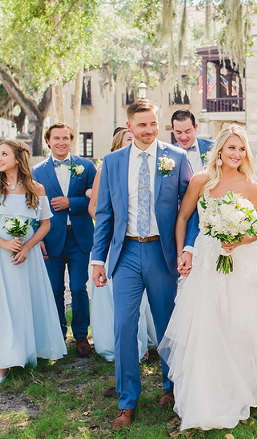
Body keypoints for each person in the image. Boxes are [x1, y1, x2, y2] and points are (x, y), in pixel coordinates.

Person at [159, 124, 257, 431]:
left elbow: (255, 230)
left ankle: (245, 381)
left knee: (240, 321)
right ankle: (210, 384)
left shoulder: (250, 186)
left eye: (241, 149)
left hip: (239, 259)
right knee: (209, 319)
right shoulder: (201, 181)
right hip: (206, 256)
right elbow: (183, 217)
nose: (236, 154)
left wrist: (238, 240)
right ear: (220, 150)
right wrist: (185, 251)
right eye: (231, 148)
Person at [90, 100, 199, 430]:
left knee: (167, 324)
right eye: (142, 125)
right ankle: (126, 401)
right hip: (124, 255)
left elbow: (191, 210)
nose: (149, 130)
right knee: (123, 326)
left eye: (153, 124)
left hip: (161, 253)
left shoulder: (176, 158)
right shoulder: (111, 162)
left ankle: (171, 388)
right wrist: (98, 258)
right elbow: (105, 214)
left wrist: (188, 248)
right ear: (129, 126)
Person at [0, 140, 66, 385]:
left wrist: (27, 246)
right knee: (3, 303)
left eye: (4, 153)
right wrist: (3, 244)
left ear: (18, 158)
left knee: (27, 299)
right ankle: (3, 362)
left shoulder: (36, 189)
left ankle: (30, 349)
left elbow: (46, 224)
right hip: (0, 255)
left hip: (28, 256)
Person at [87, 127, 156, 368]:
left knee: (144, 301)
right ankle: (124, 348)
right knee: (121, 304)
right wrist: (117, 223)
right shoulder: (108, 167)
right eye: (130, 139)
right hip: (117, 243)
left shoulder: (154, 164)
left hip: (147, 243)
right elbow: (95, 207)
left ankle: (144, 342)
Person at [32, 123, 97, 356]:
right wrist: (35, 237)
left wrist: (72, 202)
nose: (61, 142)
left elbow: (96, 199)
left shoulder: (86, 166)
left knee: (79, 288)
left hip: (79, 237)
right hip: (51, 237)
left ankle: (81, 335)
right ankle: (57, 334)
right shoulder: (37, 171)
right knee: (54, 288)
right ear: (48, 141)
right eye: (56, 138)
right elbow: (31, 206)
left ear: (71, 140)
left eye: (66, 138)